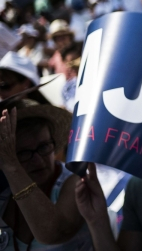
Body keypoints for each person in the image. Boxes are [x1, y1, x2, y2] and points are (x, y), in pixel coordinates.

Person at [0, 100, 92, 250]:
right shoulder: (4, 188)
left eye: (43, 147)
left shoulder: (75, 181)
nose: (37, 160)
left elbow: (54, 233)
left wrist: (12, 165)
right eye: (23, 153)